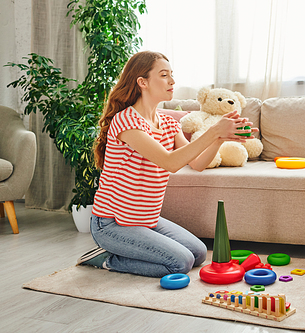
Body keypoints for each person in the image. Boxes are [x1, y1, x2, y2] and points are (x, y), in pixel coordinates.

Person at [76, 51, 256, 278]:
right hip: (112, 224)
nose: (172, 81)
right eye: (164, 75)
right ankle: (107, 258)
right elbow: (170, 162)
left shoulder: (169, 123)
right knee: (180, 263)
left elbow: (198, 164)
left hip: (145, 219)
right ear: (142, 82)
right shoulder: (127, 122)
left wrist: (221, 138)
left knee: (199, 253)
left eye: (172, 75)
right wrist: (214, 131)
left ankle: (131, 250)